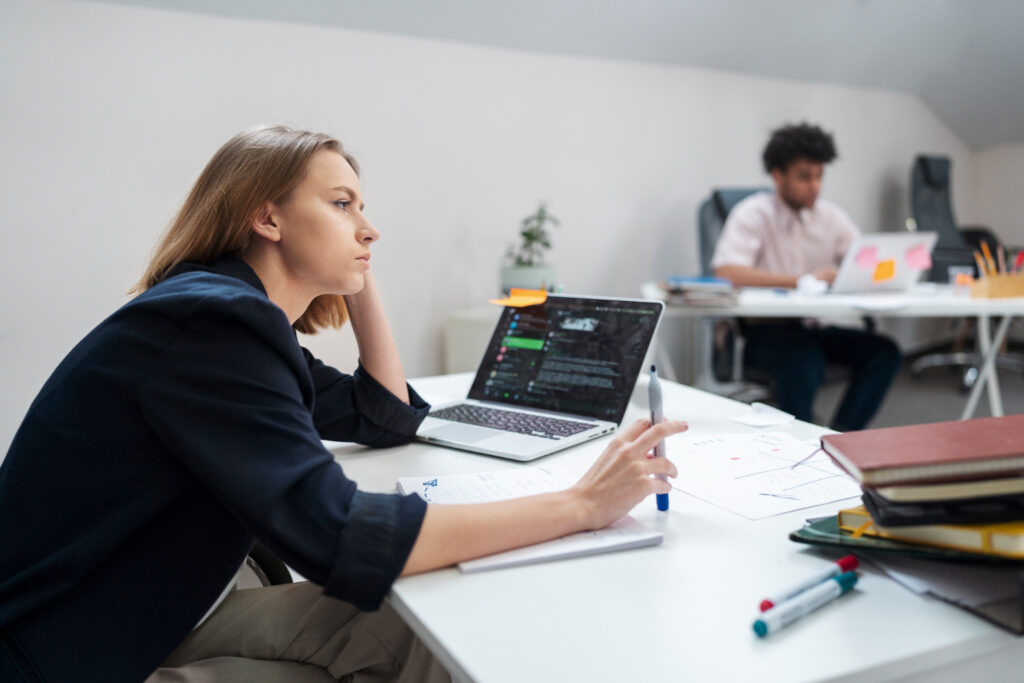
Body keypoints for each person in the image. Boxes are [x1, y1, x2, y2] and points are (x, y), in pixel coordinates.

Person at [0, 126, 686, 682]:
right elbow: (342, 537)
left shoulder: (226, 313)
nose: (370, 228)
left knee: (416, 623)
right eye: (341, 203)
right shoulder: (214, 327)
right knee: (427, 638)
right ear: (266, 216)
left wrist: (355, 271)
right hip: (78, 649)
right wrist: (580, 504)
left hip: (159, 602)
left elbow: (381, 414)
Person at [711, 122, 901, 431]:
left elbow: (867, 258)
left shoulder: (831, 216)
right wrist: (799, 279)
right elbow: (727, 272)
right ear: (777, 175)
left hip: (818, 326)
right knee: (803, 357)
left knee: (885, 353)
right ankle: (797, 445)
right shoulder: (752, 215)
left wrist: (882, 270)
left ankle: (839, 438)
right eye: (804, 177)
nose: (815, 186)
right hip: (765, 333)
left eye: (819, 176)